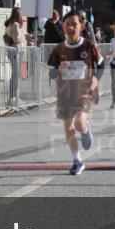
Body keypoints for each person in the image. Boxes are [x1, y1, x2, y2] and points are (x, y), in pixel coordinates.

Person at [47, 10, 104, 175]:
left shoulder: (88, 45)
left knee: (79, 122)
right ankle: (77, 160)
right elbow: (51, 74)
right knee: (68, 126)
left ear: (82, 26)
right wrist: (59, 69)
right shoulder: (58, 49)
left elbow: (100, 65)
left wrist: (96, 79)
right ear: (63, 27)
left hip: (85, 90)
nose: (71, 27)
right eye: (67, 25)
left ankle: (85, 130)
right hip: (65, 92)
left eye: (74, 24)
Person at [3, 7, 28, 107]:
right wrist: (24, 37)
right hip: (15, 51)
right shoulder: (15, 25)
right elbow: (17, 39)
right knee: (16, 75)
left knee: (15, 75)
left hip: (11, 51)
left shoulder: (9, 24)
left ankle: (13, 97)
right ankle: (14, 97)